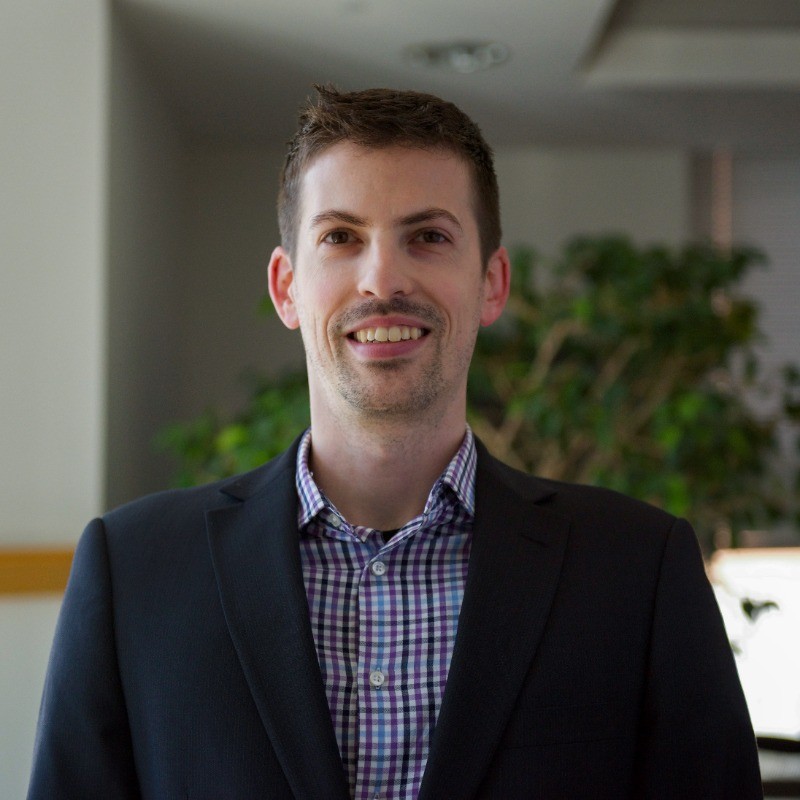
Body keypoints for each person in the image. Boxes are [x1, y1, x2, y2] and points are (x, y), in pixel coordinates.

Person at [29, 86, 762, 800]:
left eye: (429, 237)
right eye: (341, 237)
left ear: (492, 283)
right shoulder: (133, 572)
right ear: (287, 288)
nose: (383, 278)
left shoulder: (638, 570)